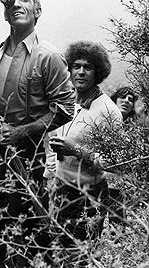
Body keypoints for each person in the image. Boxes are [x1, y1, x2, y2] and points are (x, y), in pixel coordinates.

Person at [0, 0, 75, 268]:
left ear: (38, 12)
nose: (16, 4)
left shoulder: (47, 56)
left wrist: (21, 132)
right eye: (12, 1)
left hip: (27, 156)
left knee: (27, 233)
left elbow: (65, 109)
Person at [47, 41, 123, 267]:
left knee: (80, 257)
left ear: (97, 72)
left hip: (88, 196)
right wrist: (51, 173)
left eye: (87, 67)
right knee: (56, 250)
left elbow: (114, 163)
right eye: (76, 66)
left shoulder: (109, 112)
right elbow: (50, 139)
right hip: (60, 188)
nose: (80, 72)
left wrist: (77, 150)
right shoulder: (65, 101)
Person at [107, 86, 138, 226]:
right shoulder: (103, 120)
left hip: (121, 182)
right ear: (114, 100)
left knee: (118, 222)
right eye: (123, 97)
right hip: (97, 178)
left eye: (130, 99)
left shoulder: (135, 128)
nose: (126, 101)